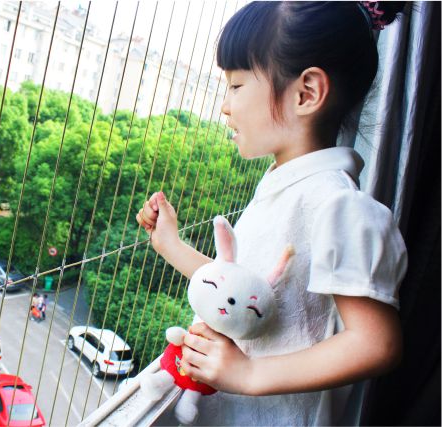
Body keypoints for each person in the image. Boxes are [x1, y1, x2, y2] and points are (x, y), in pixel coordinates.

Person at [136, 2, 408, 425]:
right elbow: (242, 289)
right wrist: (170, 245)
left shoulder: (337, 205)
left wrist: (249, 373)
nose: (225, 106)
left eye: (236, 85)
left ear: (306, 93)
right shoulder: (284, 185)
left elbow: (376, 344)